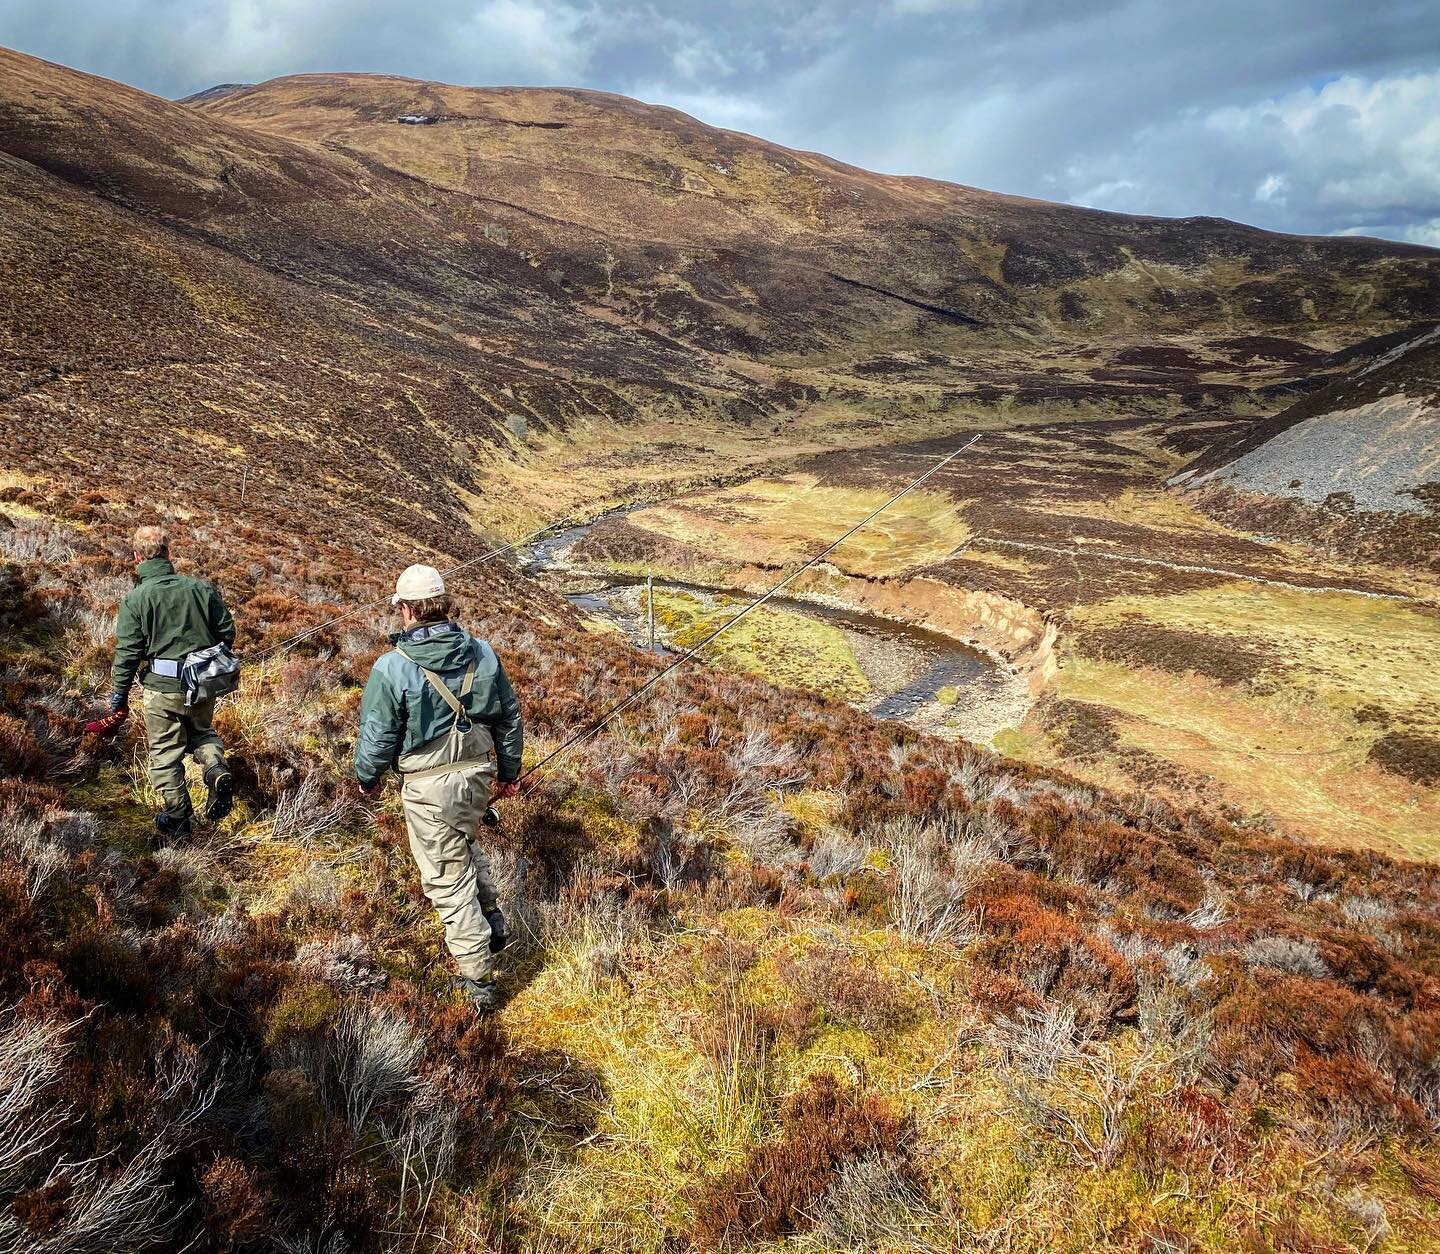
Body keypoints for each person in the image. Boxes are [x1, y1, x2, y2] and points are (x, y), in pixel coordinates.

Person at [353, 564, 523, 1012]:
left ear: (406, 610)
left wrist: (367, 778)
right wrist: (508, 774)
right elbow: (508, 717)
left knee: (447, 880)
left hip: (429, 788)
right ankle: (492, 921)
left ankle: (478, 980)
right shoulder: (483, 653)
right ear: (443, 605)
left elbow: (377, 734)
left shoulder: (392, 667)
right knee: (464, 845)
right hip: (478, 776)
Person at [109, 524, 236, 841]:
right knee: (202, 733)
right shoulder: (201, 588)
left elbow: (127, 653)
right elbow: (227, 633)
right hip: (204, 684)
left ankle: (178, 820)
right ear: (168, 553)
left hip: (161, 690)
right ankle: (216, 770)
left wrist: (117, 698)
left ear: (137, 557)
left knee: (165, 755)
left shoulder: (136, 599)